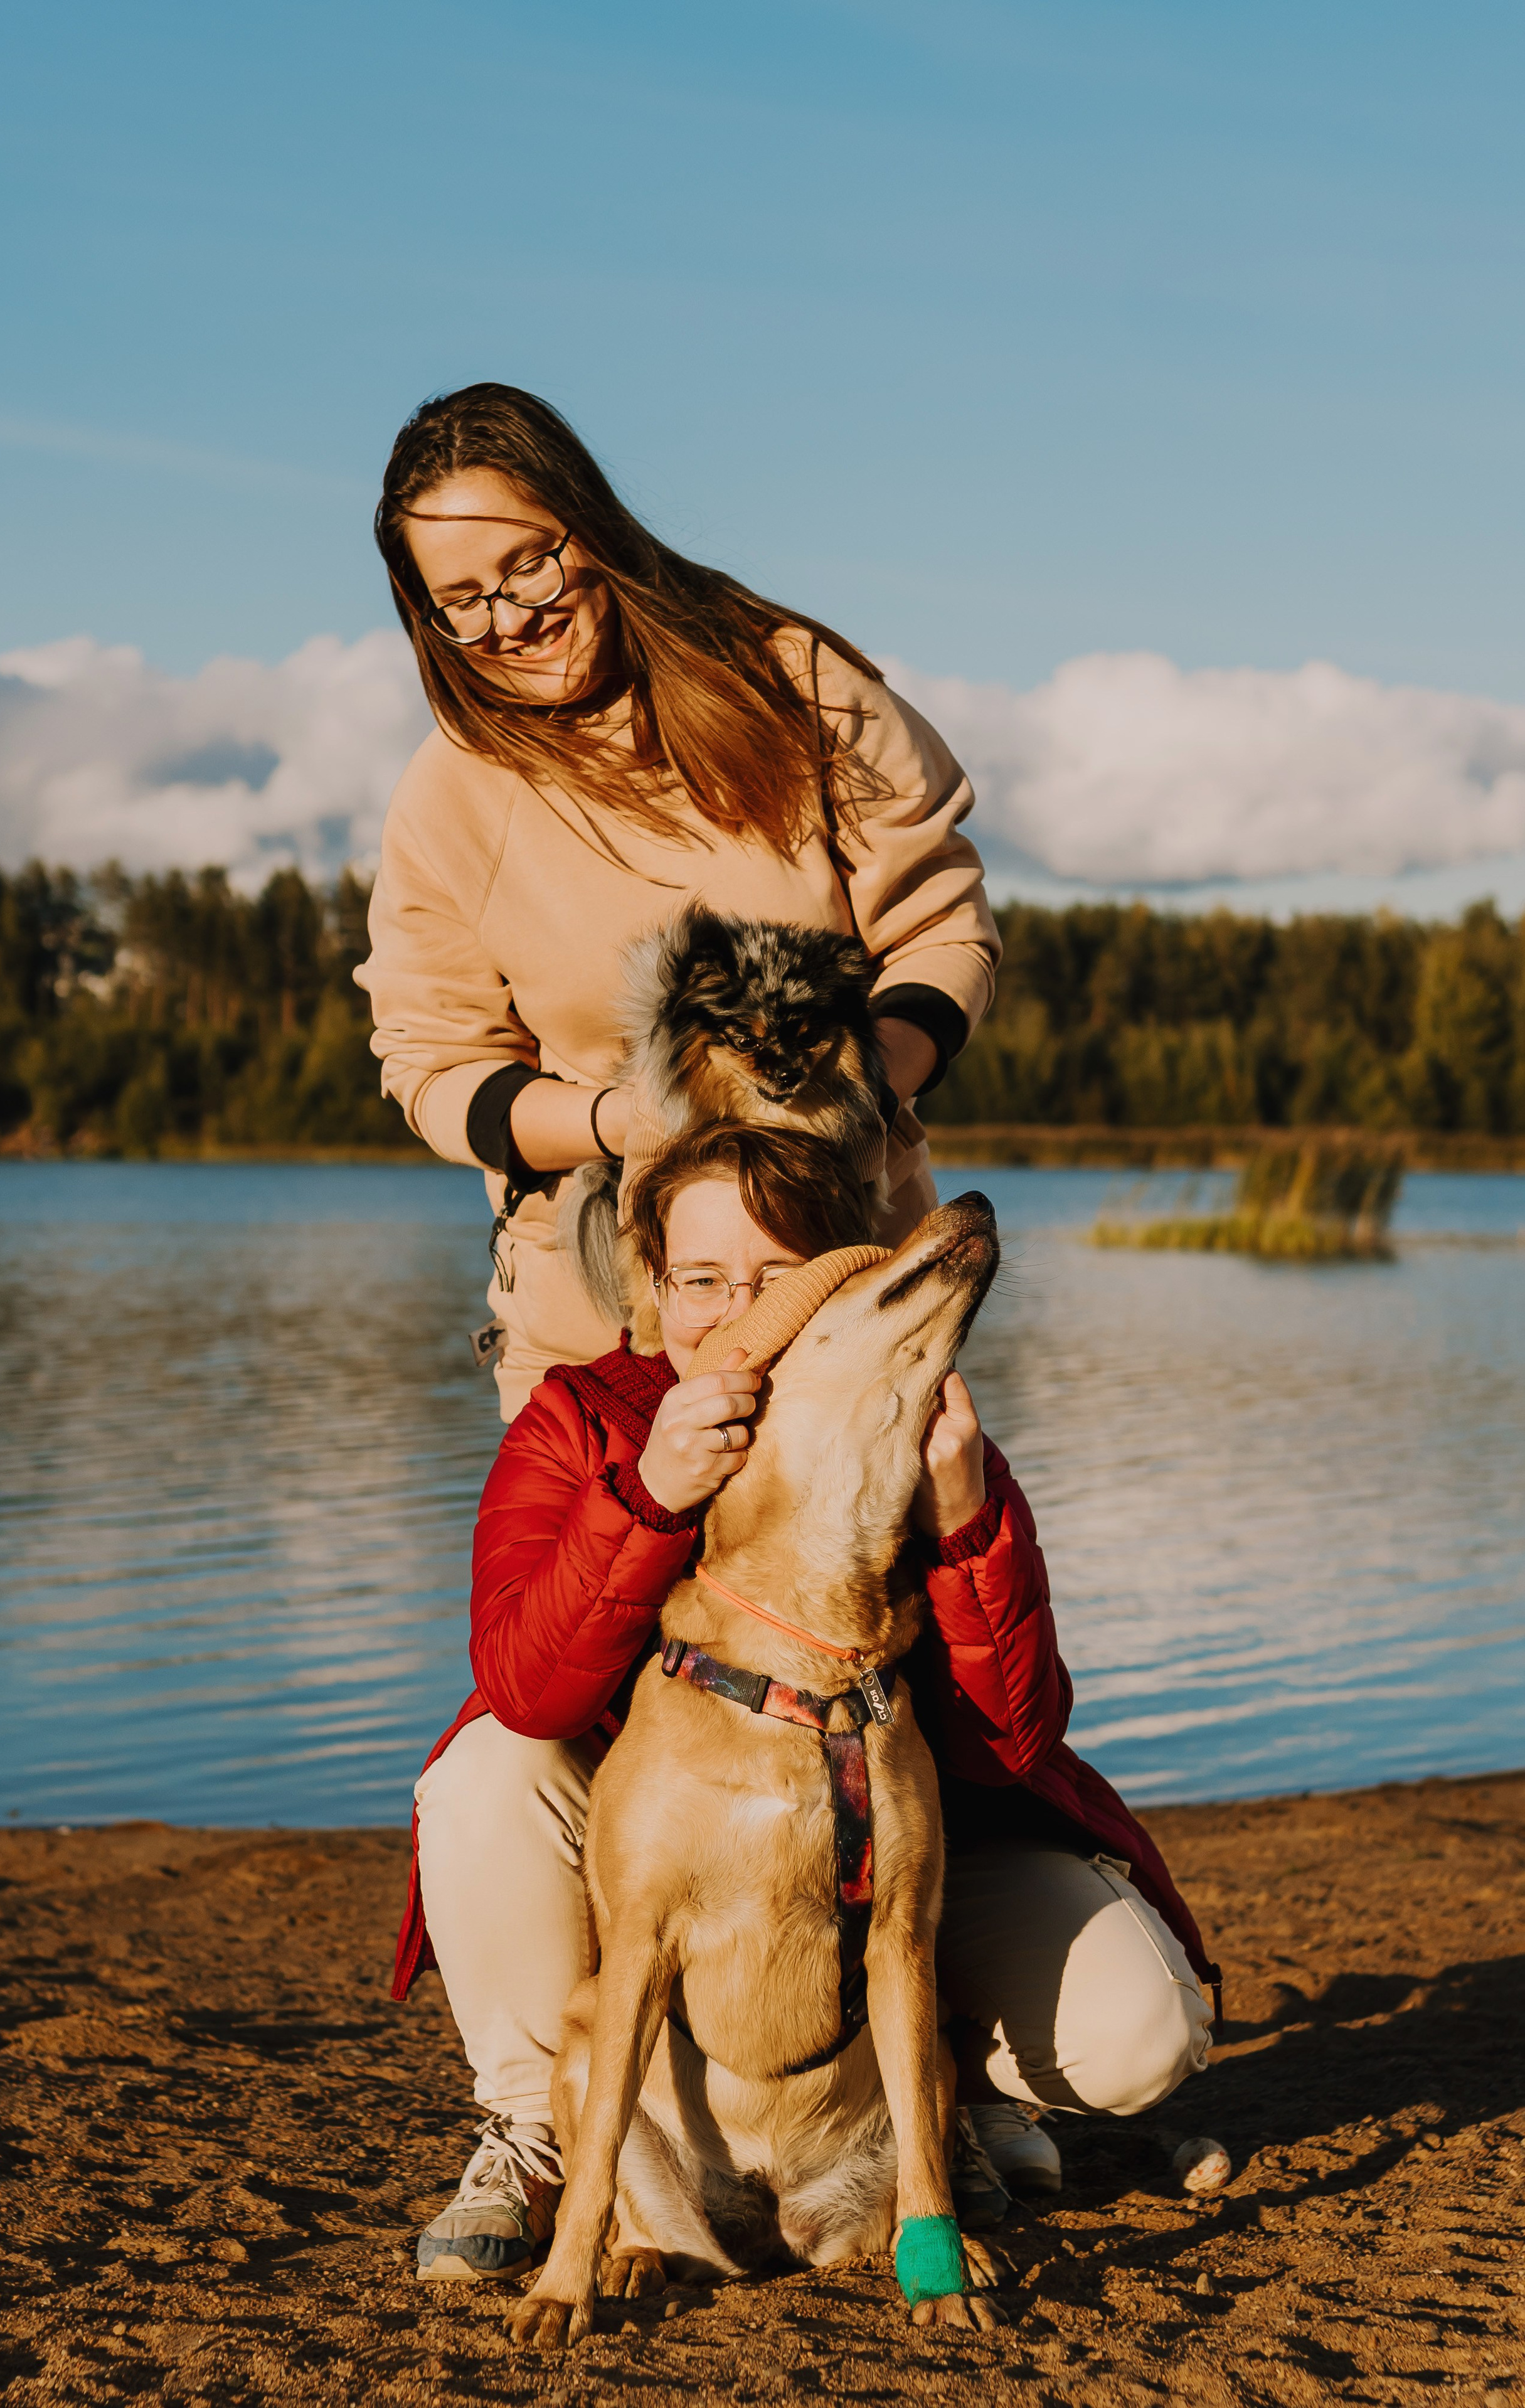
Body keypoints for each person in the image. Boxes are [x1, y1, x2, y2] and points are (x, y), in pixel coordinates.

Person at [398, 1124, 1218, 2284]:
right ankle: (544, 2128)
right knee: (487, 1768)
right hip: (660, 1826)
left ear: (841, 1281)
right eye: (700, 1279)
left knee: (1147, 2028)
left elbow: (1018, 1740)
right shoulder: (585, 1420)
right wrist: (650, 1497)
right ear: (650, 1287)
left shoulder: (920, 1419)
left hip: (896, 1849)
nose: (736, 1307)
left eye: (776, 1275)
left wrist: (962, 1518)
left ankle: (946, 2102)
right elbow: (531, 1686)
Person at [356, 382, 1001, 1419]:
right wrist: (624, 1122)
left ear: (592, 523)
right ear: (425, 614)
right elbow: (435, 1067)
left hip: (850, 1310)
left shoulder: (796, 686)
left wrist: (856, 1088)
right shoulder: (448, 794)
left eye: (530, 562)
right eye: (464, 600)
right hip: (590, 1350)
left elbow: (943, 930)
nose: (512, 618)